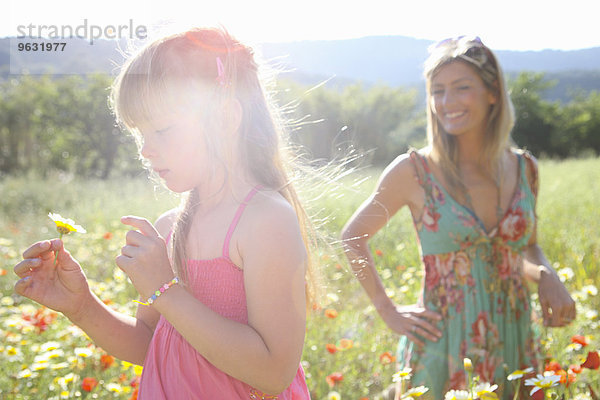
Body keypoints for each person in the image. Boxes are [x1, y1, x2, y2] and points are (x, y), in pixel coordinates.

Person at [13, 27, 315, 399]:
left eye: (162, 130)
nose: (145, 150)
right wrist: (81, 306)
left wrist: (165, 291)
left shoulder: (265, 220)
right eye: (140, 134)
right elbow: (149, 344)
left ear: (224, 117)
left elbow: (273, 372)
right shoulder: (169, 228)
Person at [341, 36, 575, 400]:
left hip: (513, 337)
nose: (446, 103)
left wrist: (546, 274)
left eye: (461, 88)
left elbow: (525, 247)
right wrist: (387, 310)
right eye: (437, 91)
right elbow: (353, 236)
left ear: (493, 92)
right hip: (442, 345)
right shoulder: (414, 171)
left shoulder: (525, 168)